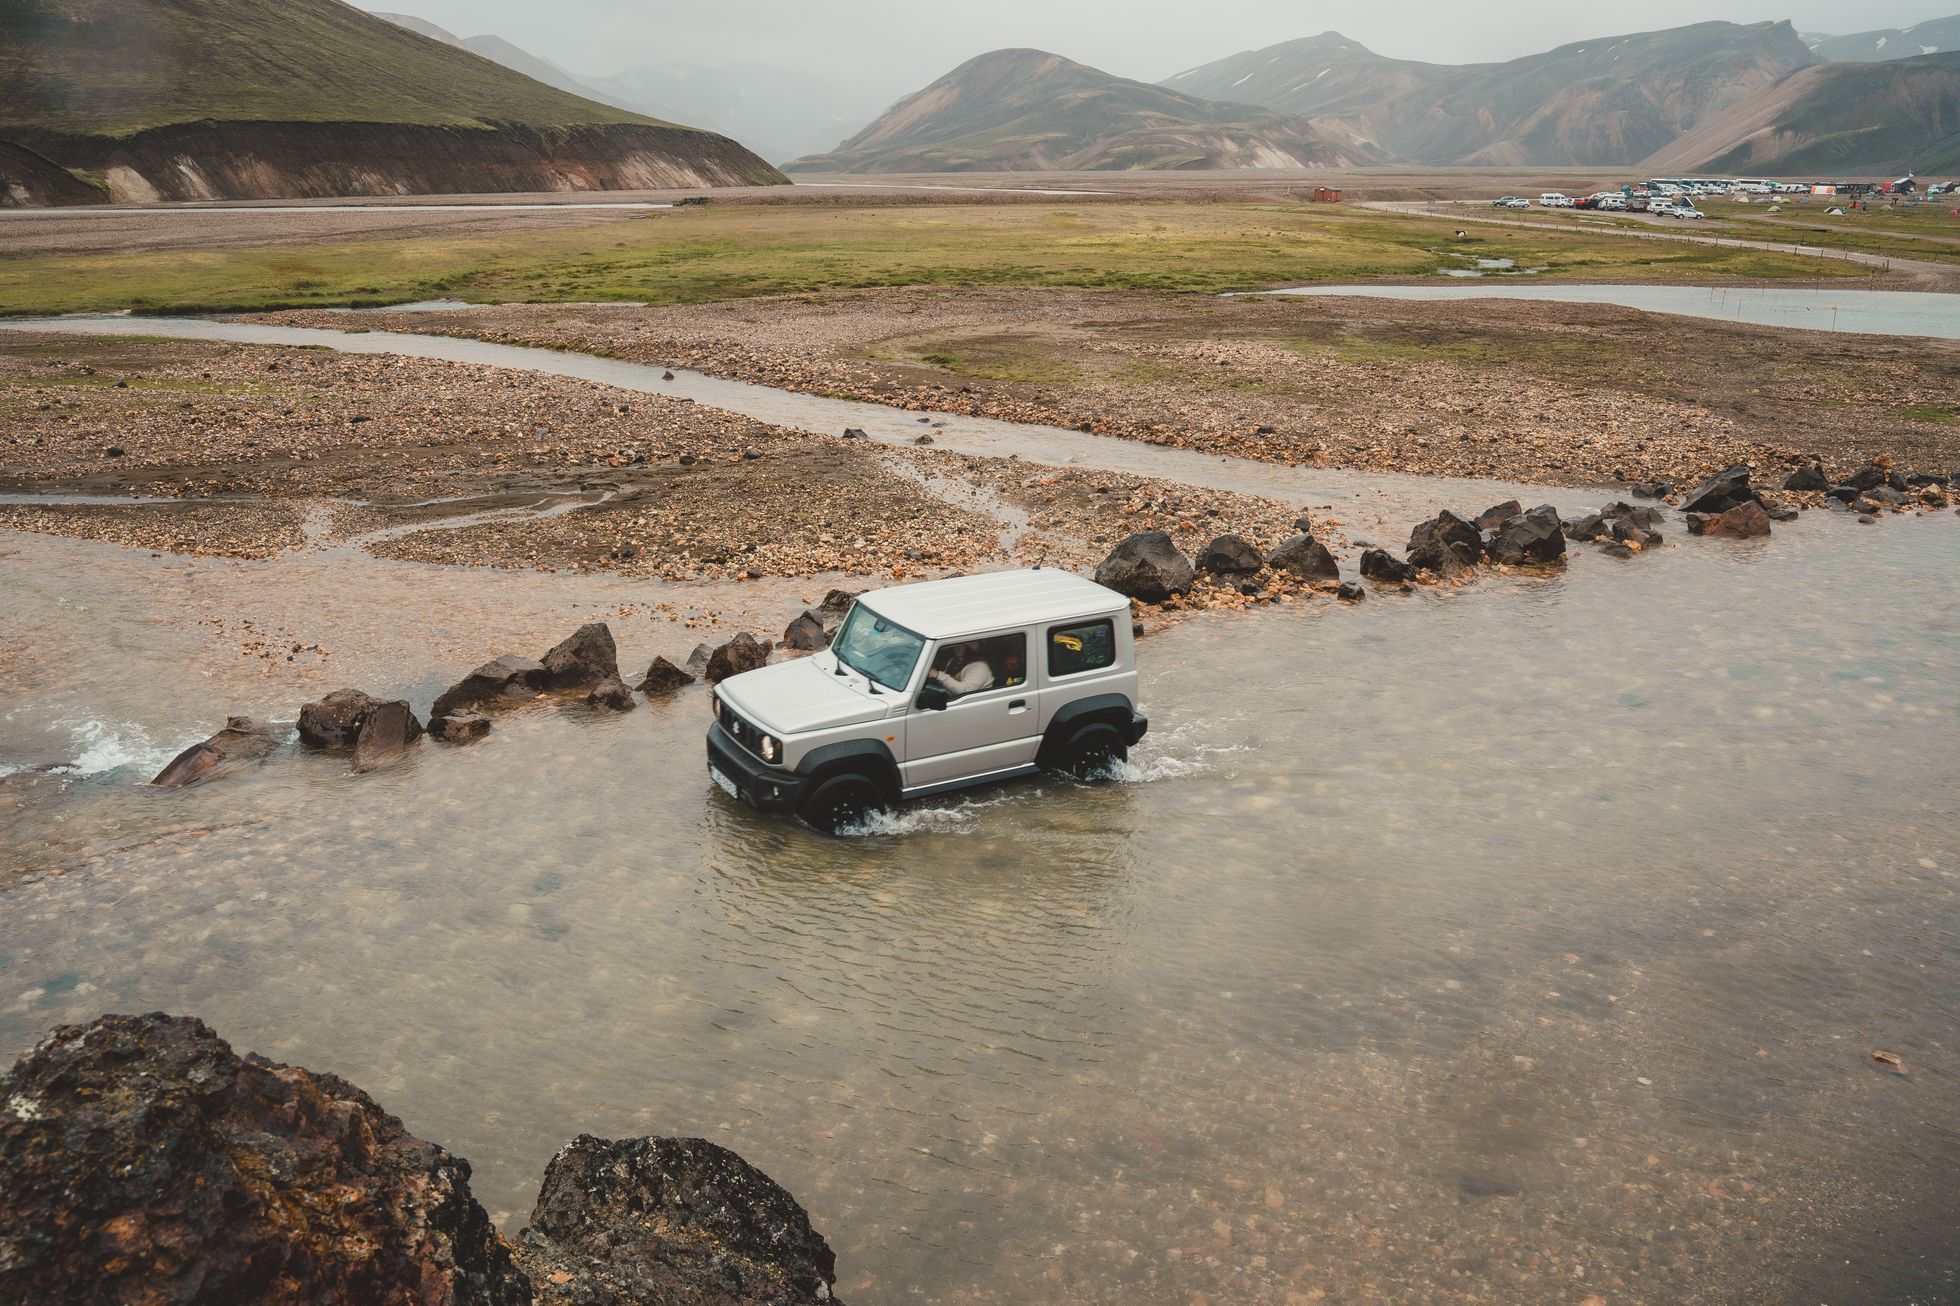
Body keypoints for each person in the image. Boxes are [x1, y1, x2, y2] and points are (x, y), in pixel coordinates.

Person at [930, 645, 994, 697]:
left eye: (962, 645)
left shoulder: (980, 667)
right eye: (956, 645)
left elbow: (965, 691)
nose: (957, 648)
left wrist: (938, 675)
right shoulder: (955, 660)